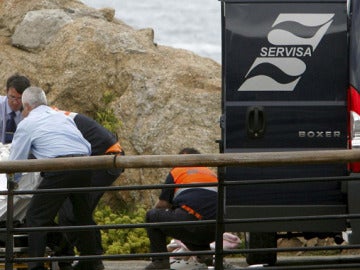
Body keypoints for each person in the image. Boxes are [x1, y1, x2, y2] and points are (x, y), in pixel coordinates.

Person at [9, 86, 97, 270]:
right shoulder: (62, 117)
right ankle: (92, 262)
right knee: (83, 215)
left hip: (59, 168)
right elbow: (86, 145)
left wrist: (13, 183)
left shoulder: (28, 123)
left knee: (35, 216)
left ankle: (36, 266)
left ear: (27, 106)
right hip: (85, 164)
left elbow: (16, 162)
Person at [54, 109, 124, 270]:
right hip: (96, 160)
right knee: (75, 211)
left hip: (106, 159)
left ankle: (90, 259)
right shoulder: (57, 116)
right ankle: (90, 258)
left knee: (74, 211)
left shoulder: (55, 120)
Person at [144, 148, 218, 270]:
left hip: (192, 223)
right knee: (186, 218)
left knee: (152, 216)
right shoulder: (211, 173)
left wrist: (154, 220)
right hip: (216, 230)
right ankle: (205, 256)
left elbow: (162, 205)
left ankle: (160, 262)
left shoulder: (178, 170)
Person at [0, 74, 30, 144]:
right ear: (6, 92)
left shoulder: (31, 110)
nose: (15, 102)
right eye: (12, 97)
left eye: (20, 98)